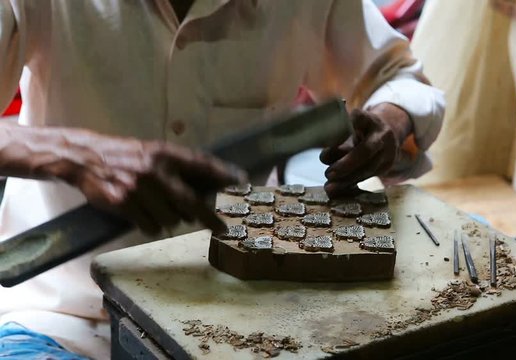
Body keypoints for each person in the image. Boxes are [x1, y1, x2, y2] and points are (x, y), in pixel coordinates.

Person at [0, 0, 445, 357]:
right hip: (67, 320)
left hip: (239, 320)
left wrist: (390, 119)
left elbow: (399, 77)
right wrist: (73, 155)